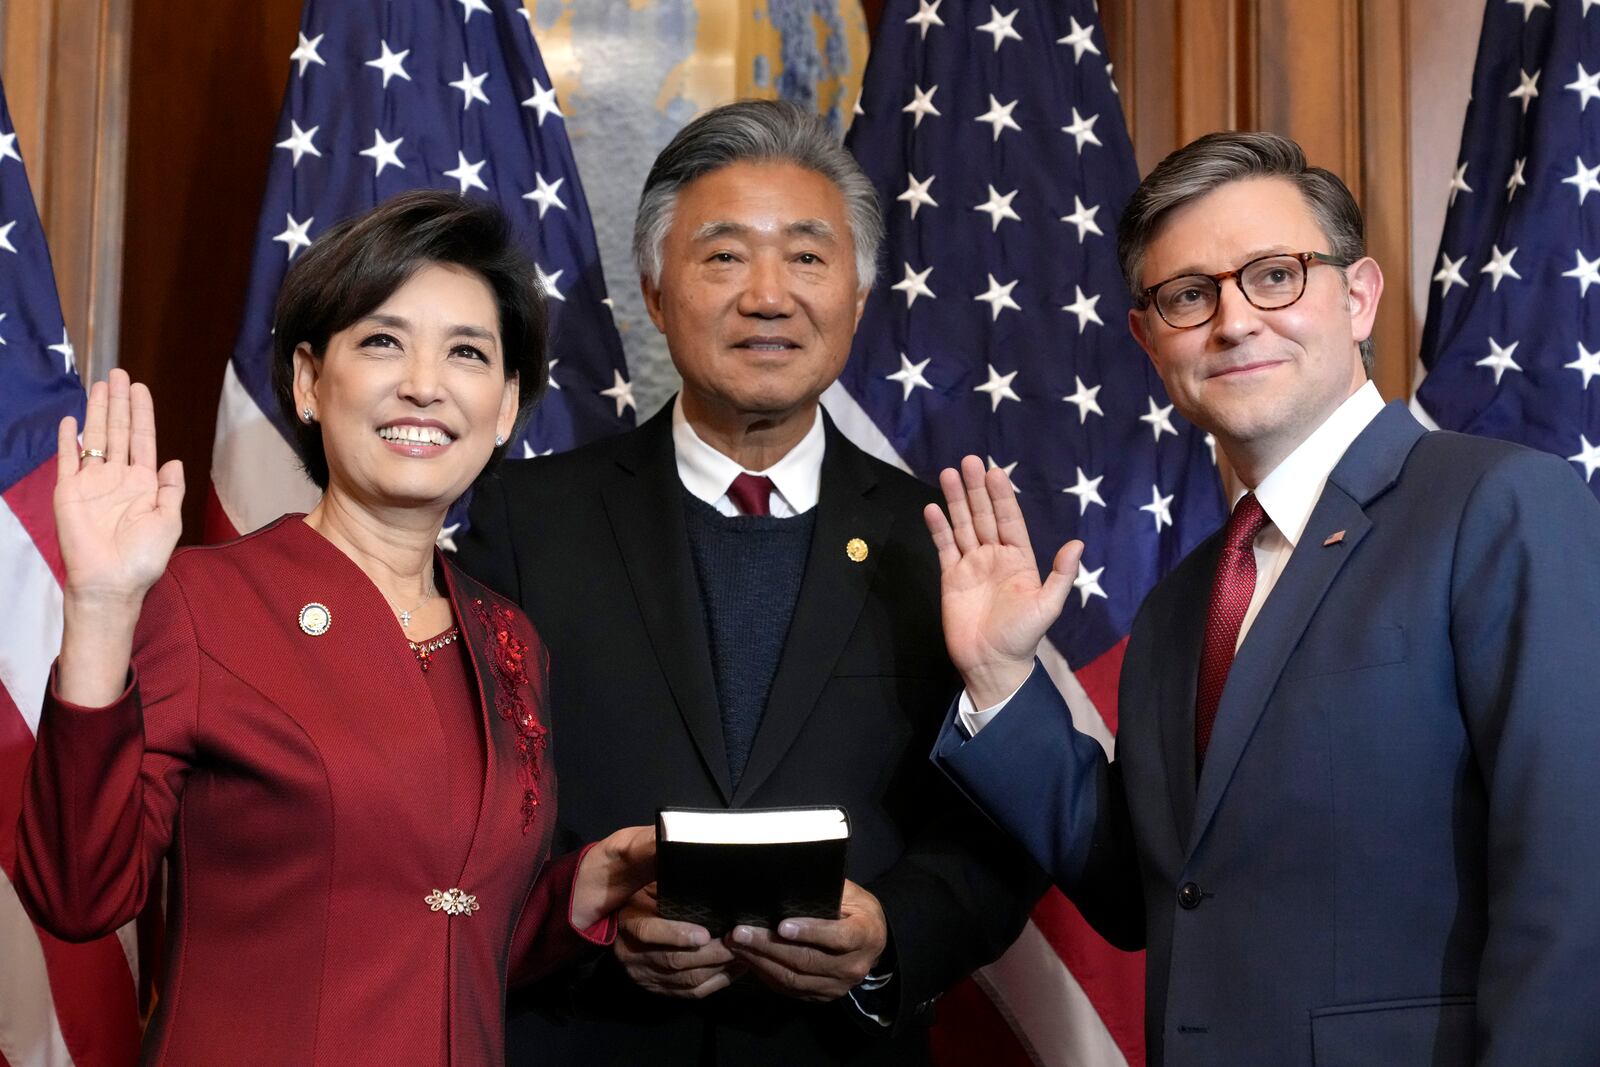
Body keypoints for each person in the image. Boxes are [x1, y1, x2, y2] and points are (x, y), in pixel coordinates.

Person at [926, 131, 1600, 1064]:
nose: (1234, 321)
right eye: (1189, 295)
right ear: (1148, 337)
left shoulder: (1500, 506)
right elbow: (1150, 892)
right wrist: (1001, 680)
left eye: (1275, 275)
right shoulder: (1182, 605)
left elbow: (1578, 889)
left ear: (1357, 297)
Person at [457, 100, 1042, 1065]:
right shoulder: (525, 519)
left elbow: (996, 833)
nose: (768, 295)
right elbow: (464, 801)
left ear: (857, 294)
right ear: (653, 291)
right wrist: (590, 920)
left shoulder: (941, 541)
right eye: (723, 255)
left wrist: (892, 933)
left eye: (808, 257)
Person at [14, 190, 655, 1065]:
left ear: (506, 406)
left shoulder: (509, 636)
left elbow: (442, 919)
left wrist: (580, 892)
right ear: (311, 382)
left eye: (467, 352)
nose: (425, 383)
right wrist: (97, 607)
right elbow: (78, 894)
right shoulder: (201, 599)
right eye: (384, 341)